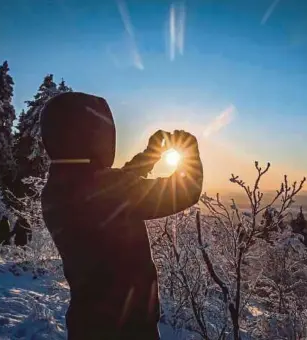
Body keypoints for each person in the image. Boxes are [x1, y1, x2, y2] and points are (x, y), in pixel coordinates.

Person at [40, 92, 203, 340]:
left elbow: (116, 188)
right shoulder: (105, 187)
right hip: (129, 326)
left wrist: (150, 155)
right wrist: (189, 147)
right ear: (92, 133)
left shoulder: (57, 186)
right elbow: (186, 192)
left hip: (86, 323)